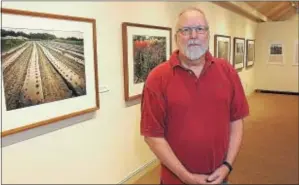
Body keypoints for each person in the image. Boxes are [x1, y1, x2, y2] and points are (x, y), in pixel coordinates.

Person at [140, 6, 249, 185]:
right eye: (186, 30)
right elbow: (152, 136)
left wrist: (227, 166)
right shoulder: (157, 78)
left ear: (208, 34)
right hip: (175, 181)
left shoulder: (227, 71)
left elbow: (236, 121)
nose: (193, 36)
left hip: (220, 178)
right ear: (176, 37)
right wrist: (186, 177)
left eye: (200, 29)